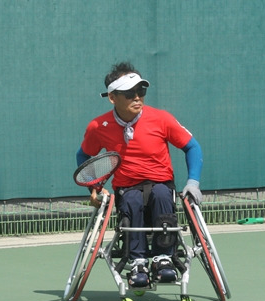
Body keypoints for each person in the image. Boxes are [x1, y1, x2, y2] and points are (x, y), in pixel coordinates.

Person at [76, 62, 203, 287]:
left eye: (141, 91)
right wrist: (94, 188)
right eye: (129, 93)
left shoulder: (162, 119)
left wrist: (193, 182)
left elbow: (192, 147)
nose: (137, 97)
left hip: (162, 182)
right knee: (132, 201)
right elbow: (83, 156)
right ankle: (138, 262)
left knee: (162, 195)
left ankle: (164, 259)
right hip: (127, 188)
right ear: (112, 97)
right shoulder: (99, 126)